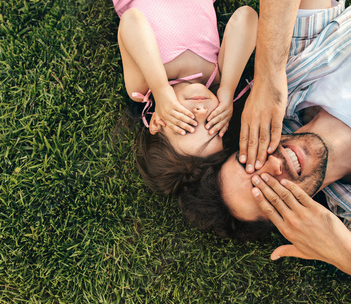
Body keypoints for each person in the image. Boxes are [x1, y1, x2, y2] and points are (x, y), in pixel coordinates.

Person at [182, 0, 351, 275]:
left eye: (249, 161)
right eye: (271, 194)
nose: (274, 166)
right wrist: (345, 253)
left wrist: (269, 75)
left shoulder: (297, 72)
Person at [115, 0, 257, 158]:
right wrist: (227, 89)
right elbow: (246, 16)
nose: (202, 112)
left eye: (189, 123)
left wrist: (160, 88)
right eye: (212, 124)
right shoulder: (217, 77)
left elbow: (131, 19)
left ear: (157, 121)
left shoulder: (142, 87)